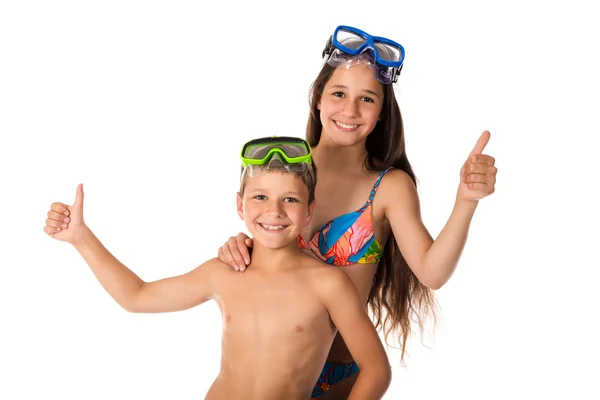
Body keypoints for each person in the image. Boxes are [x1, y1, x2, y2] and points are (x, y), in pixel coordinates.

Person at [217, 25, 498, 398]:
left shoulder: (389, 186)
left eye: (367, 99)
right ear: (317, 99)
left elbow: (432, 272)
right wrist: (239, 250)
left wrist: (466, 200)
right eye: (338, 93)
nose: (350, 110)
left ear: (382, 112)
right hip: (267, 372)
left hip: (345, 377)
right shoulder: (284, 169)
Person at [42, 137, 392, 400]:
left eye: (290, 199)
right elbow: (137, 296)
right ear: (239, 205)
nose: (274, 211)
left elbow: (376, 370)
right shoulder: (223, 273)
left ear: (309, 210)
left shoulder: (328, 285)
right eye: (260, 197)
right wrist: (80, 238)